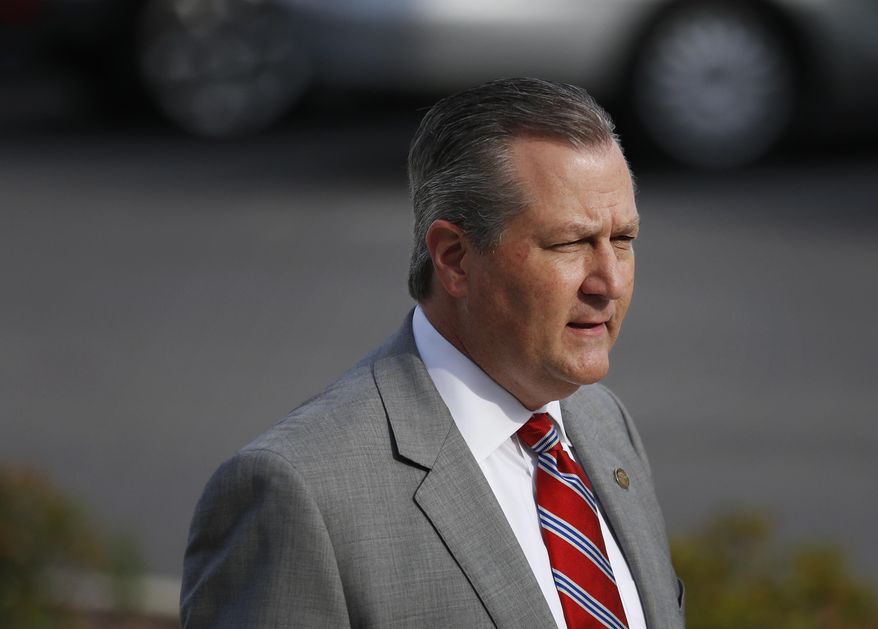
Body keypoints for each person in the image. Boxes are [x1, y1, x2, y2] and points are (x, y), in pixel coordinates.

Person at [180, 77, 684, 628]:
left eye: (623, 241)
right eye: (569, 243)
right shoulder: (297, 493)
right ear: (455, 259)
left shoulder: (604, 423)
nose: (608, 282)